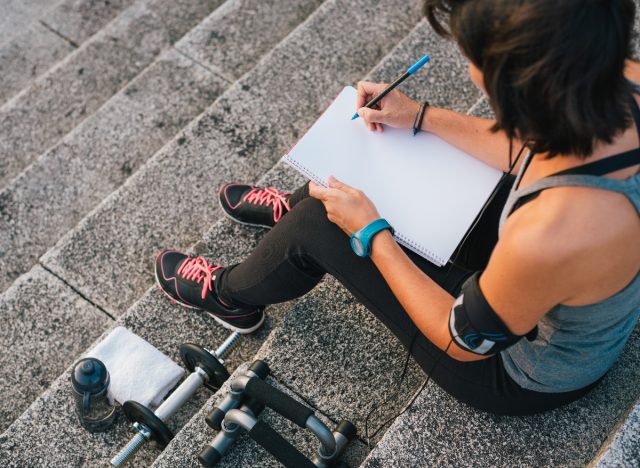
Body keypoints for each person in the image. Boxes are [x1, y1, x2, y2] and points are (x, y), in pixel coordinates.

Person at [154, 0, 640, 415]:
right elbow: (536, 149)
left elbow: (462, 342)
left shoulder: (553, 231)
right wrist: (421, 118)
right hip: (564, 288)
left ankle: (231, 296)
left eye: (473, 56)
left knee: (319, 223)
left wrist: (373, 234)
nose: (471, 70)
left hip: (521, 370)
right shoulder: (618, 78)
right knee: (380, 174)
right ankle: (302, 216)